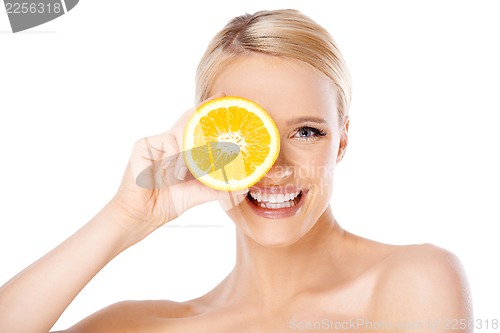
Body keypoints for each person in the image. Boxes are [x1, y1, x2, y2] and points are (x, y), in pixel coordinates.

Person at [0, 9, 472, 333]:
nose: (276, 166)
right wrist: (127, 216)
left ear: (342, 140)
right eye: (244, 136)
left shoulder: (414, 279)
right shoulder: (141, 324)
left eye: (306, 132)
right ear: (203, 141)